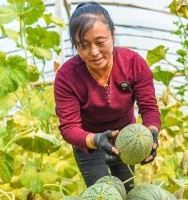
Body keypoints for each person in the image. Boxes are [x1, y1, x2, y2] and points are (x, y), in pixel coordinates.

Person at [53, 1, 161, 193]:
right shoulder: (66, 76)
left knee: (127, 190)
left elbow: (149, 108)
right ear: (75, 45)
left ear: (113, 34)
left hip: (127, 138)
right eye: (83, 45)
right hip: (89, 141)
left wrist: (151, 134)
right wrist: (96, 140)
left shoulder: (133, 63)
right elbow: (69, 128)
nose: (93, 52)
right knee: (102, 193)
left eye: (100, 42)